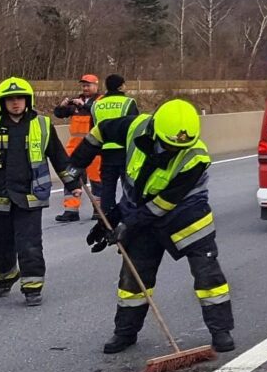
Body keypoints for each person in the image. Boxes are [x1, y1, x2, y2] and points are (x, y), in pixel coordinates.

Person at [71, 99, 235, 353]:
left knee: (208, 277)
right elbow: (101, 131)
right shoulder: (134, 127)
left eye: (178, 147)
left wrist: (128, 224)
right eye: (169, 145)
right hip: (141, 212)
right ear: (155, 130)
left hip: (186, 217)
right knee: (133, 279)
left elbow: (163, 203)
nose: (172, 150)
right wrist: (78, 163)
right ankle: (125, 333)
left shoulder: (196, 157)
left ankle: (221, 331)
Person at [0, 78, 81, 305]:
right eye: (10, 99)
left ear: (28, 100)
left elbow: (59, 157)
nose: (15, 103)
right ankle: (5, 277)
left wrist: (73, 184)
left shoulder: (42, 125)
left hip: (30, 195)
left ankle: (32, 287)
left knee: (29, 244)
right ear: (2, 102)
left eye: (20, 98)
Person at [52, 73, 101, 222]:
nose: (85, 88)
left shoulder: (100, 102)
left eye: (88, 85)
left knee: (97, 179)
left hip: (94, 148)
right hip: (74, 148)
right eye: (84, 85)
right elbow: (60, 114)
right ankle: (71, 210)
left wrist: (84, 105)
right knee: (70, 178)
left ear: (96, 86)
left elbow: (97, 113)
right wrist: (62, 106)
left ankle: (99, 210)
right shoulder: (75, 103)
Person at [89, 74, 139, 212]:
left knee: (107, 188)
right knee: (128, 186)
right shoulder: (128, 102)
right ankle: (128, 215)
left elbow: (92, 130)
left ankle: (107, 215)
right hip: (125, 151)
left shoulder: (96, 105)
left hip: (106, 152)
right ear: (121, 86)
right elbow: (135, 127)